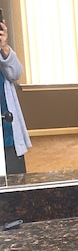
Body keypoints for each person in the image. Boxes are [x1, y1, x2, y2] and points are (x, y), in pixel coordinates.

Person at [0, 14, 31, 174]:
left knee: (16, 186)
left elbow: (16, 73)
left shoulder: (1, 51)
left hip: (7, 130)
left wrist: (4, 47)